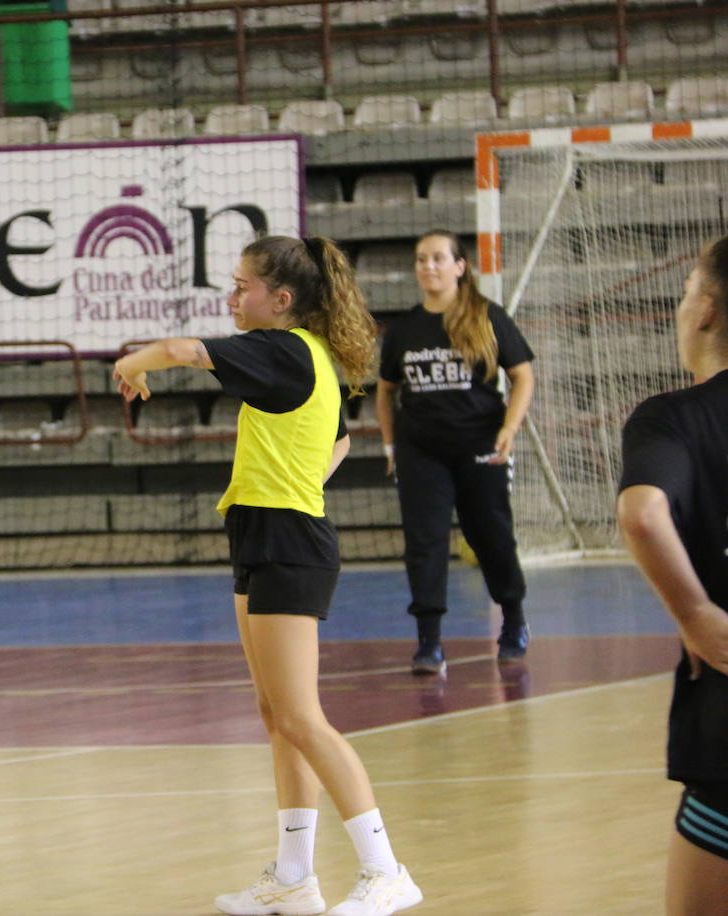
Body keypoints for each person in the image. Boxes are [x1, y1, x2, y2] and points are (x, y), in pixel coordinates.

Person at [114, 236, 422, 916]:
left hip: (289, 542)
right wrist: (301, 479)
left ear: (279, 300)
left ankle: (386, 869)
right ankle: (292, 876)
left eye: (242, 286)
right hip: (264, 532)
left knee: (304, 718)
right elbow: (339, 436)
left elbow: (183, 351)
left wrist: (131, 361)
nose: (232, 297)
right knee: (276, 715)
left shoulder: (283, 350)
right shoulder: (300, 357)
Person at [616, 236, 728, 915]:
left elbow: (643, 514)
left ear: (708, 311)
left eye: (686, 292)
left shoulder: (675, 419)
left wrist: (694, 613)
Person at [375, 230, 535, 675]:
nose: (429, 266)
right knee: (424, 541)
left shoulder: (487, 317)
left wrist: (509, 428)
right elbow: (386, 392)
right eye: (421, 259)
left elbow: (523, 375)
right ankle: (429, 641)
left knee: (490, 534)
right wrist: (391, 444)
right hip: (420, 449)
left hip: (478, 444)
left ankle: (514, 620)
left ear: (459, 266)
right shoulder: (404, 328)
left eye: (438, 258)